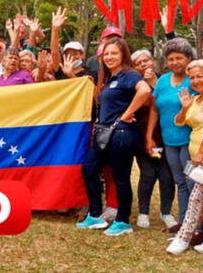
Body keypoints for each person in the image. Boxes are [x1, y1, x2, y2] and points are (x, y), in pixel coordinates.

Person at [77, 38, 151, 236]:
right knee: (89, 169)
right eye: (106, 54)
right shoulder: (110, 78)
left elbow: (145, 90)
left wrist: (127, 114)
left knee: (121, 178)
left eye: (114, 53)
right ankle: (95, 215)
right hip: (104, 134)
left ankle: (123, 221)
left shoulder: (129, 75)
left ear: (123, 55)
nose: (109, 57)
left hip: (122, 135)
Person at [167, 60, 203, 255]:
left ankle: (183, 237)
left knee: (196, 199)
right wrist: (185, 107)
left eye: (199, 76)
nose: (195, 80)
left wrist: (202, 151)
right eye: (192, 77)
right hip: (199, 159)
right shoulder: (196, 99)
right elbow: (179, 122)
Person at [146, 38, 196, 232]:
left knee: (192, 183)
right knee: (180, 183)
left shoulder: (193, 80)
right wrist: (149, 135)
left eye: (179, 58)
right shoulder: (163, 80)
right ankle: (184, 223)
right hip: (169, 140)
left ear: (189, 58)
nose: (175, 62)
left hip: (189, 139)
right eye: (171, 58)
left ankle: (196, 226)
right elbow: (154, 109)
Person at [130, 49, 176, 230]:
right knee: (147, 175)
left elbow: (167, 102)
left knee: (166, 176)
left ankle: (166, 212)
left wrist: (153, 83)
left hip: (167, 137)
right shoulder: (134, 84)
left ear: (153, 61)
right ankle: (143, 212)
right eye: (138, 63)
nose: (144, 64)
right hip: (142, 138)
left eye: (146, 60)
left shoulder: (165, 80)